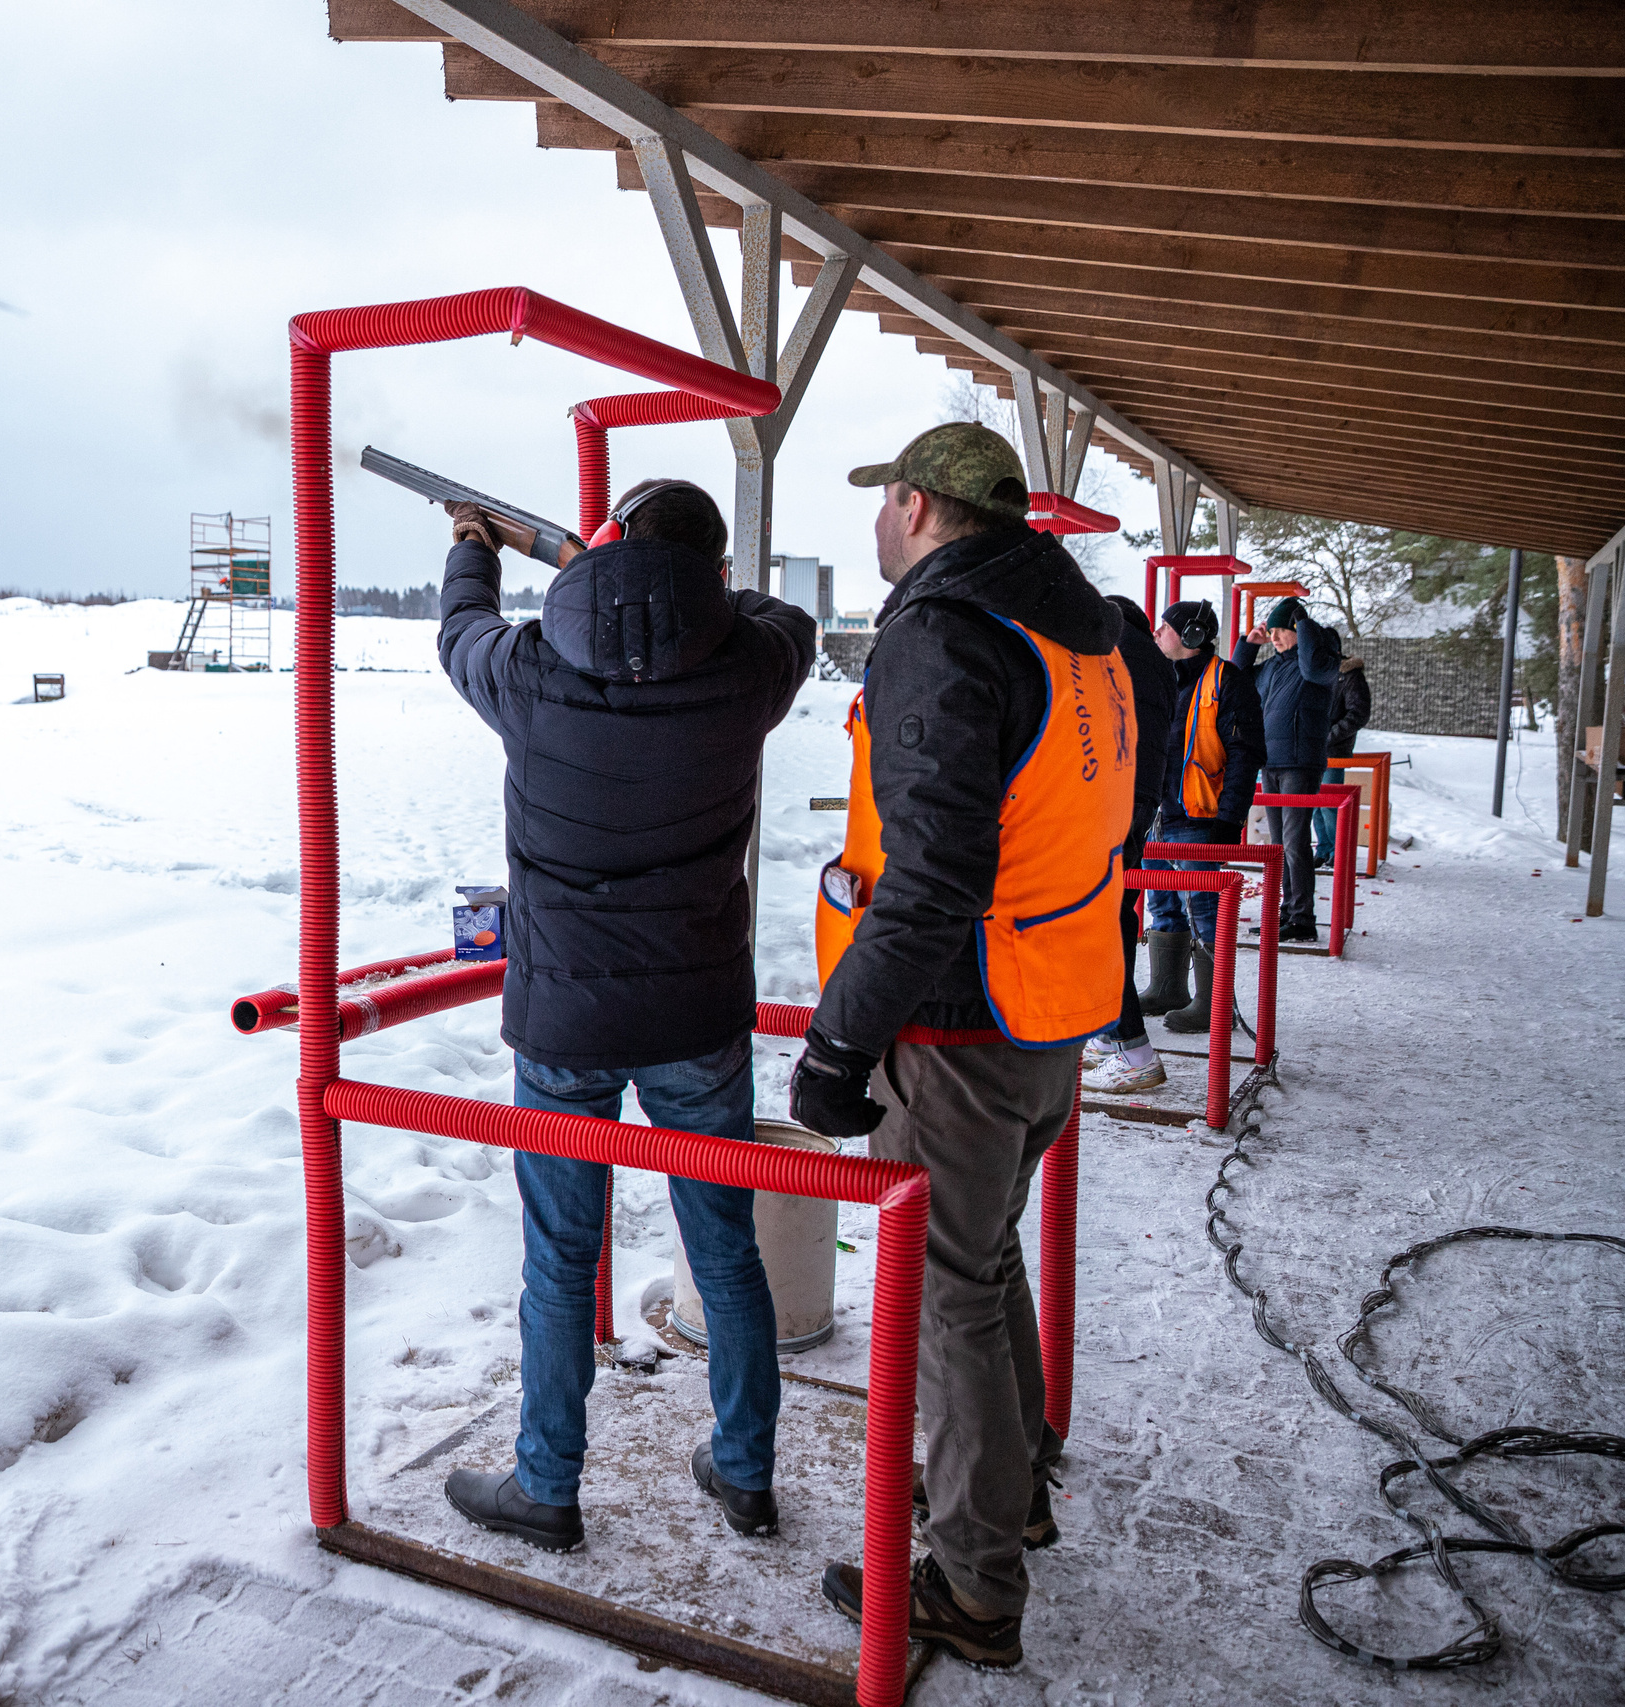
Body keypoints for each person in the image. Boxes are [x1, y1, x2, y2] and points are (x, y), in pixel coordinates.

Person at [793, 422, 1132, 1671]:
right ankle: (1014, 1497)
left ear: (922, 508)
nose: (877, 526)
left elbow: (932, 878)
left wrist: (840, 1045)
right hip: (1047, 1005)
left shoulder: (940, 634)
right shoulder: (1079, 627)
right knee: (982, 1273)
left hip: (957, 1023)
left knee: (949, 1303)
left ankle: (974, 1585)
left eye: (884, 502)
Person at [433, 478, 816, 1553]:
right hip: (697, 1012)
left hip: (561, 1023)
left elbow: (460, 626)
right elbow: (786, 618)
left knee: (558, 1262)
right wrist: (645, 587)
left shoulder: (528, 671)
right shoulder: (748, 670)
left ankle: (545, 1485)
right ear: (713, 575)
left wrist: (478, 544)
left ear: (604, 548)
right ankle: (744, 1476)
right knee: (727, 1253)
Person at [1139, 600, 1264, 1037]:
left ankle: (1213, 1004)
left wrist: (1229, 821)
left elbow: (1246, 756)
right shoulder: (1160, 679)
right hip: (1157, 816)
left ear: (1191, 637)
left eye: (1165, 627)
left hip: (1200, 817)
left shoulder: (1229, 681)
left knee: (1206, 912)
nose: (1156, 633)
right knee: (1162, 905)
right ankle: (1168, 986)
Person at [1078, 594, 1175, 1094]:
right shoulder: (1155, 662)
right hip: (1140, 798)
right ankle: (1108, 1034)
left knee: (1100, 921)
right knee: (1119, 913)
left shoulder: (1112, 652)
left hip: (1109, 796)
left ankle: (1134, 1048)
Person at [1231, 596, 1342, 941]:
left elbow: (1312, 667)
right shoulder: (1273, 667)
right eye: (1273, 631)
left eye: (1281, 631)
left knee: (1294, 843)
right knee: (1278, 846)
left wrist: (1304, 625)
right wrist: (1248, 645)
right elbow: (1235, 680)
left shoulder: (1320, 661)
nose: (1275, 638)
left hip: (1300, 763)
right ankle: (1285, 913)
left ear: (1298, 631)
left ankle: (1302, 918)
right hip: (1272, 763)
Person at [1316, 653, 1373, 872]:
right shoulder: (1318, 671)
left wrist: (1330, 736)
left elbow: (1358, 712)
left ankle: (1336, 852)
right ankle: (1323, 849)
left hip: (1333, 749)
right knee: (1314, 805)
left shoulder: (1350, 675)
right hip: (1314, 747)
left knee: (1329, 803)